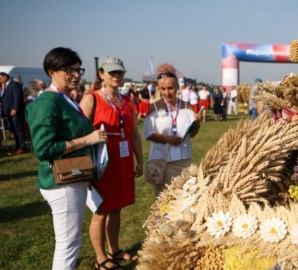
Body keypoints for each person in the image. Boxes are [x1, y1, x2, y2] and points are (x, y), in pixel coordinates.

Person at [25, 47, 108, 270]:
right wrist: (88, 140)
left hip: (74, 176)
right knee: (68, 243)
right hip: (61, 182)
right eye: (68, 70)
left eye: (78, 69)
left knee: (71, 241)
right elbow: (44, 148)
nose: (76, 75)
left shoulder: (65, 99)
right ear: (52, 71)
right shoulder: (48, 102)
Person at [79, 56, 143, 270]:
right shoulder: (91, 99)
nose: (116, 76)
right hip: (102, 160)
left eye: (120, 72)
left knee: (116, 208)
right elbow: (79, 132)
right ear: (101, 74)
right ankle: (100, 257)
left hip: (122, 160)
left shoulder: (126, 100)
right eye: (111, 72)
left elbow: (133, 133)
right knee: (101, 210)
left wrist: (139, 160)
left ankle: (114, 249)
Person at [143, 63, 201, 196]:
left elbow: (192, 134)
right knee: (163, 202)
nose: (167, 92)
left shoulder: (187, 107)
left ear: (177, 87)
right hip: (161, 161)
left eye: (170, 88)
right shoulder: (154, 108)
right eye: (163, 89)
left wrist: (196, 124)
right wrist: (165, 138)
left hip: (183, 160)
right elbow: (148, 134)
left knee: (186, 199)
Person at [0, 71, 27, 155]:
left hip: (15, 111)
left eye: (0, 78)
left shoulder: (14, 84)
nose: (0, 80)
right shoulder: (6, 86)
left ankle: (22, 146)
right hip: (8, 112)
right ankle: (17, 146)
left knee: (18, 129)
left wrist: (15, 108)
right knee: (14, 130)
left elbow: (17, 98)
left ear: (5, 77)